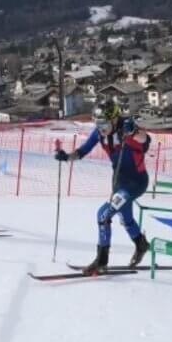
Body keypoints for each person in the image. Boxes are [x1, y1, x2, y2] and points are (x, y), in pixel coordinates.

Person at [54, 99, 151, 274]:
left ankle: (102, 260)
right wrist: (67, 157)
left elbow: (145, 140)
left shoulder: (126, 129)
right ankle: (141, 244)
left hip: (135, 183)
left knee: (103, 215)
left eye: (104, 123)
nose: (101, 127)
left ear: (114, 119)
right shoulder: (100, 134)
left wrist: (134, 131)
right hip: (119, 183)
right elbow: (83, 151)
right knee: (126, 218)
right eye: (97, 123)